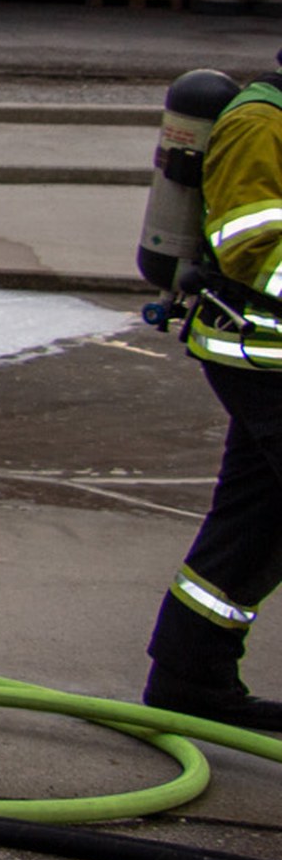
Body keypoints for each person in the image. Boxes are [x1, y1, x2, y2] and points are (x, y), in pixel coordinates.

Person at [142, 48, 282, 730]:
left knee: (259, 519)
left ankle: (189, 676)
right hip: (260, 353)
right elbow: (249, 243)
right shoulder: (259, 122)